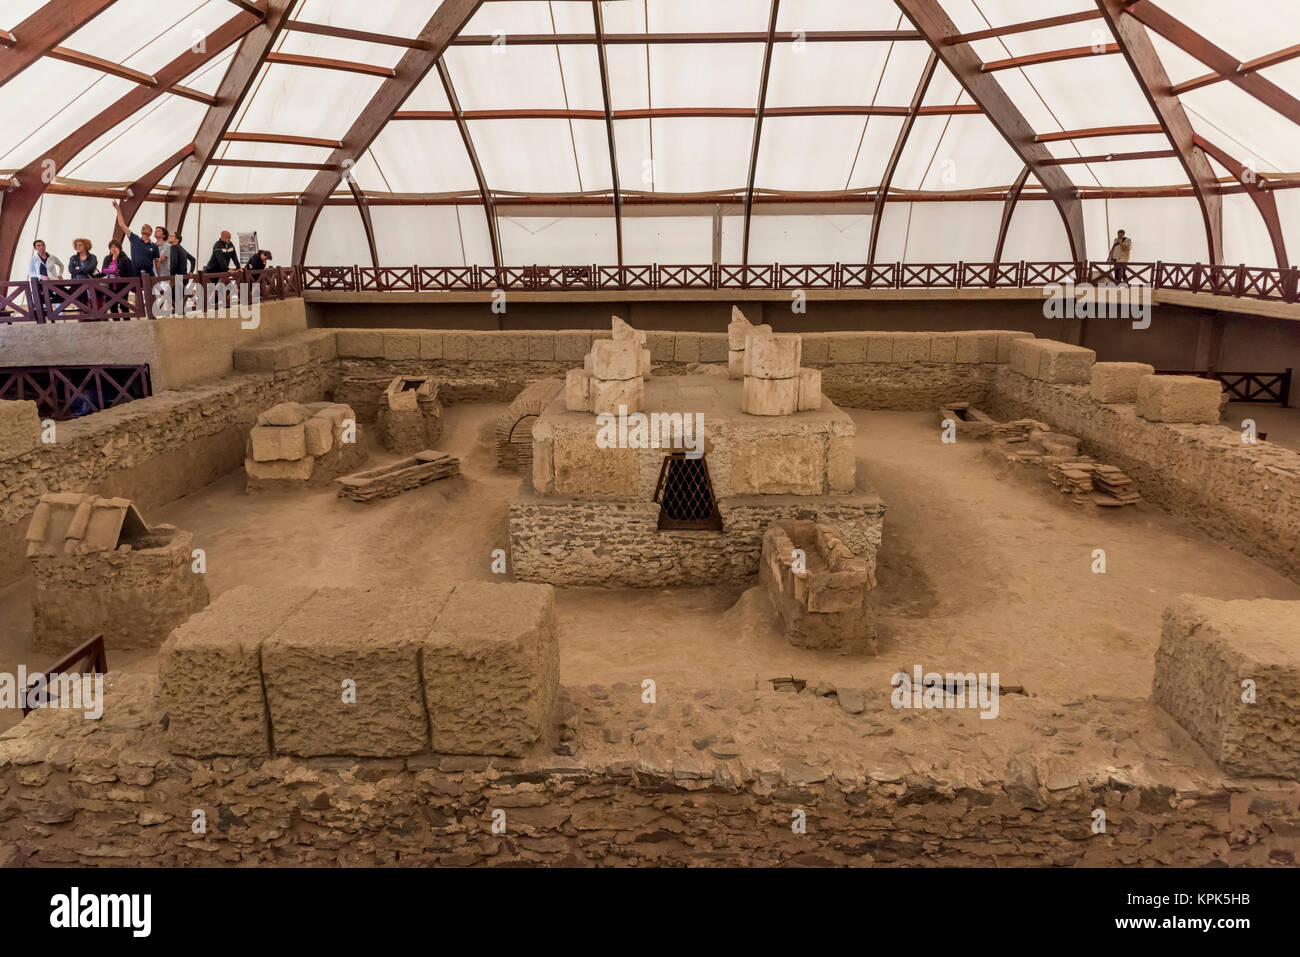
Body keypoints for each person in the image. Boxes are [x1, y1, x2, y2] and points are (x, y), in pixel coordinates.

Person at [112, 202, 159, 278]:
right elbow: (122, 225)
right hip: (135, 274)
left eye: (146, 227)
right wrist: (118, 209)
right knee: (137, 290)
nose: (143, 227)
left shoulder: (154, 246)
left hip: (149, 275)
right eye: (143, 227)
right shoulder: (135, 239)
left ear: (150, 232)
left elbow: (157, 262)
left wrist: (159, 276)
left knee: (150, 290)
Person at [100, 239, 133, 316]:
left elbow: (130, 273)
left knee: (123, 305)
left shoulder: (125, 259)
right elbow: (104, 270)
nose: (113, 249)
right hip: (110, 286)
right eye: (111, 247)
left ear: (119, 248)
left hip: (123, 286)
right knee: (112, 306)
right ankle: (116, 323)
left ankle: (127, 322)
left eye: (115, 247)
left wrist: (112, 268)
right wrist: (113, 270)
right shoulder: (107, 258)